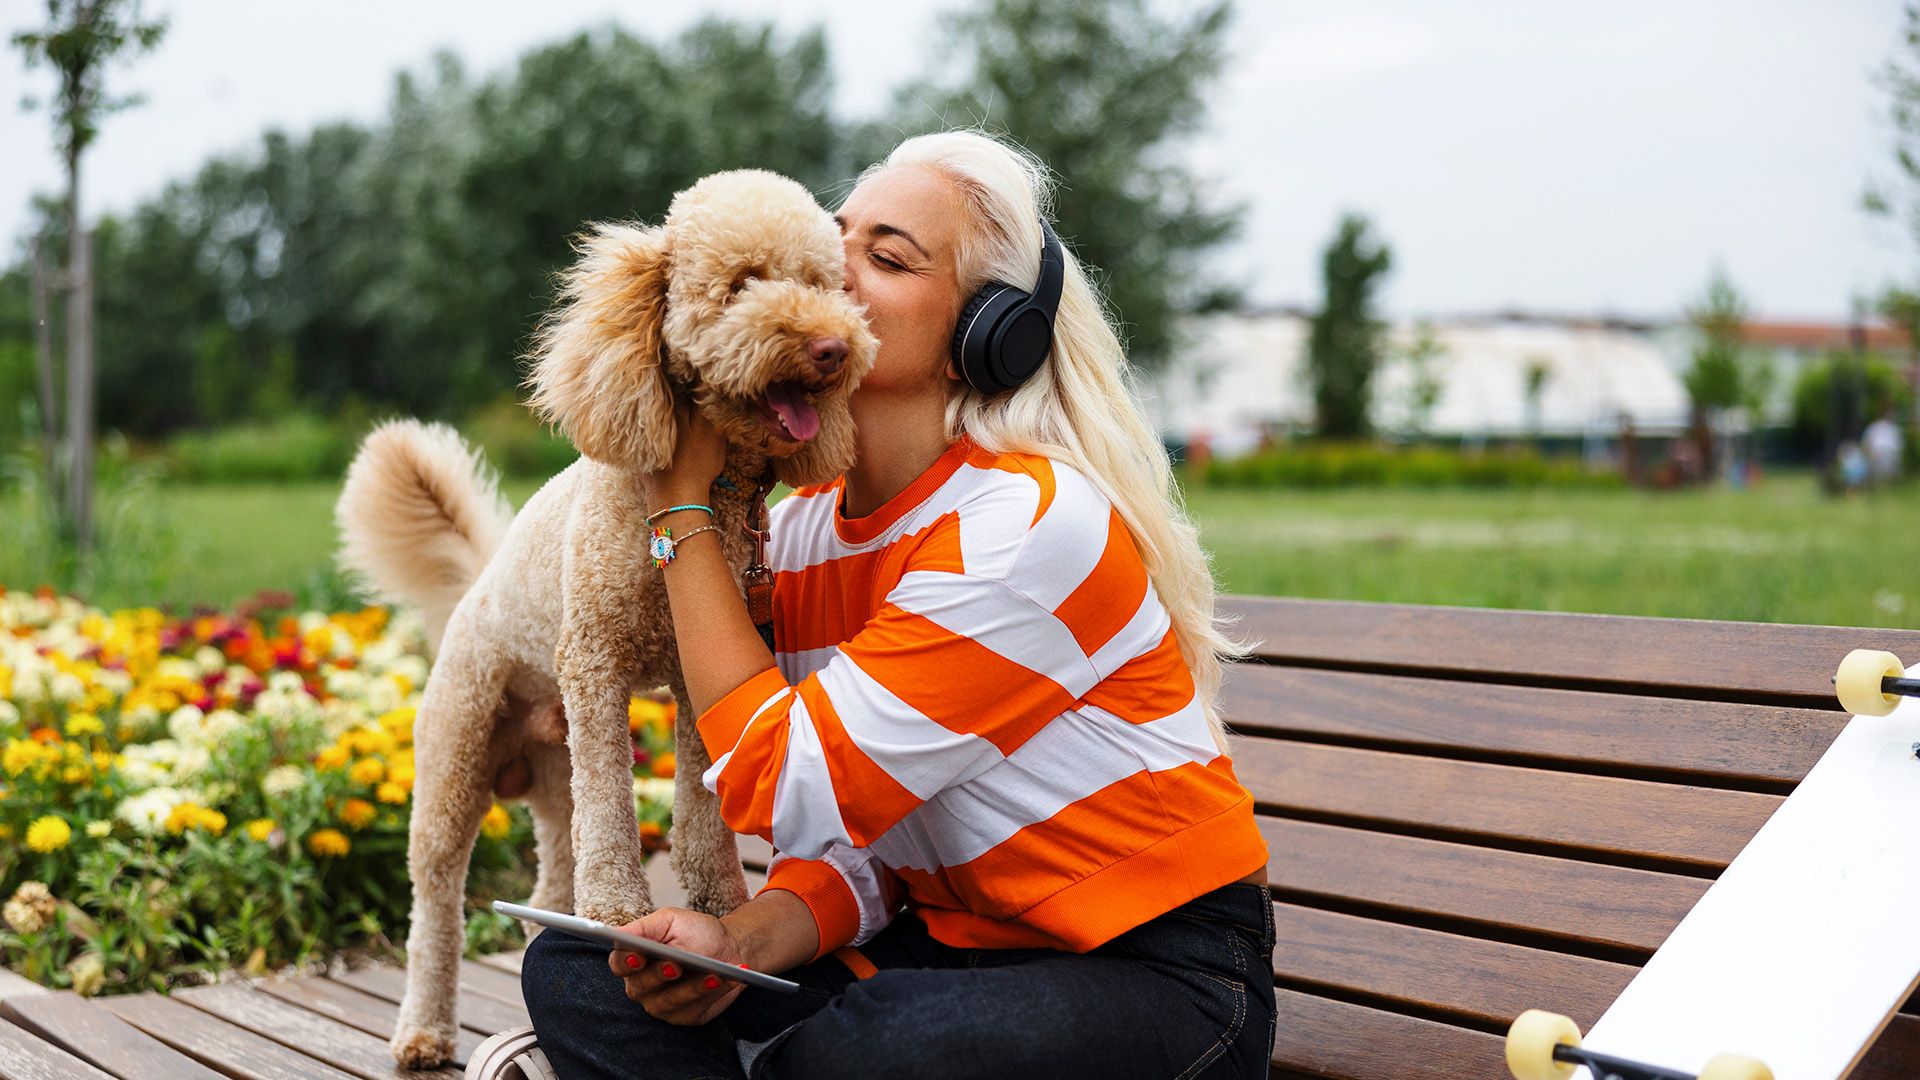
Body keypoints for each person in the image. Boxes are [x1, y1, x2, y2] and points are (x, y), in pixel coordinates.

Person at [518, 130, 1275, 1080]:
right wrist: (737, 946)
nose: (837, 271)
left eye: (887, 257)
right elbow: (854, 845)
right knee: (584, 969)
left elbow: (781, 778)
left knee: (869, 1046)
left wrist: (679, 507)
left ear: (984, 336)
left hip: (1154, 972)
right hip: (941, 949)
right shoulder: (798, 537)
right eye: (835, 241)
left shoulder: (1026, 526)